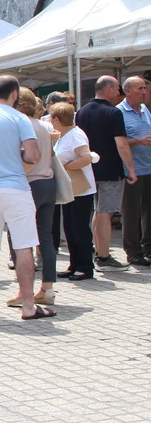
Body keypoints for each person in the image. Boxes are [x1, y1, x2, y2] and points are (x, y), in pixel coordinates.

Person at [0, 75, 53, 320]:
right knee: (24, 247)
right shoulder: (19, 118)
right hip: (15, 188)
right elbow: (33, 155)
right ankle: (28, 306)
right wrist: (18, 158)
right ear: (15, 93)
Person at [76, 76, 137, 271]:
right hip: (110, 170)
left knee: (98, 212)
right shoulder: (113, 112)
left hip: (89, 169)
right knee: (105, 212)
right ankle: (103, 257)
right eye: (118, 88)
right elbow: (122, 144)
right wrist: (131, 169)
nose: (119, 93)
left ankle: (100, 253)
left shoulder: (82, 112)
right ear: (109, 89)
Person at [7, 88, 58, 307]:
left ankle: (23, 291)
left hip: (29, 184)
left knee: (19, 237)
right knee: (45, 237)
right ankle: (47, 288)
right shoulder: (43, 126)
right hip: (48, 182)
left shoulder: (21, 125)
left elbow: (25, 159)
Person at [51, 102, 97, 281]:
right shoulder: (64, 135)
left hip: (82, 190)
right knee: (69, 228)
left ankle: (85, 267)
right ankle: (74, 264)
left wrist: (67, 166)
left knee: (79, 228)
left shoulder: (76, 135)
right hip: (70, 189)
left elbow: (86, 157)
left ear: (57, 119)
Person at [118, 76, 151, 266]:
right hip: (131, 171)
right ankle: (133, 252)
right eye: (140, 88)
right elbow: (118, 142)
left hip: (149, 167)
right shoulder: (119, 112)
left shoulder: (145, 110)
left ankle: (149, 248)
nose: (144, 92)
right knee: (131, 212)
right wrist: (139, 141)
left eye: (145, 88)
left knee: (149, 211)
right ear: (128, 91)